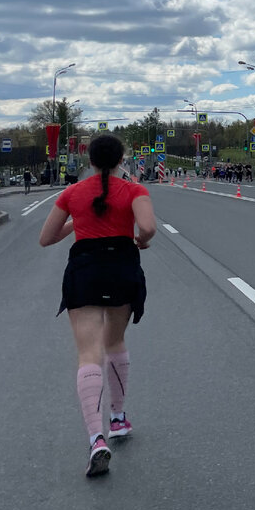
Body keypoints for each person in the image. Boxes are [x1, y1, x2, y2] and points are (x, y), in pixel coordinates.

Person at [38, 134, 156, 478]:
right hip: (122, 267)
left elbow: (46, 238)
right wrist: (141, 240)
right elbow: (147, 226)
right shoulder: (134, 190)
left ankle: (96, 439)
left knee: (88, 353)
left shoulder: (72, 194)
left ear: (88, 160)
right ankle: (118, 419)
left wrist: (81, 220)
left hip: (85, 270)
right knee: (115, 342)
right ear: (123, 159)